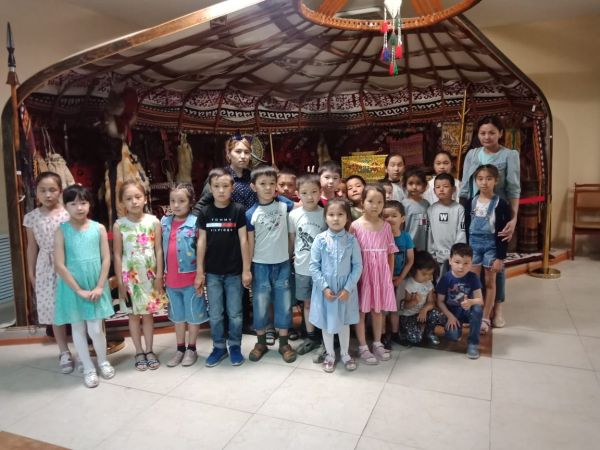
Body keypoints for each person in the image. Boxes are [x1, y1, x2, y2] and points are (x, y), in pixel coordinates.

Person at [460, 116, 520, 328]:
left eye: (492, 132)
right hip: (475, 212)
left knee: (496, 267)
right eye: (483, 133)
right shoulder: (472, 154)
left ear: (500, 133)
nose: (487, 137)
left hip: (498, 216)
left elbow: (513, 189)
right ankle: (473, 310)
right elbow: (465, 188)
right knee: (474, 270)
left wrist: (513, 219)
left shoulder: (509, 155)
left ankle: (497, 308)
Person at [53, 185, 114, 388]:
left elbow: (106, 259)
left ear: (89, 204)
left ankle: (103, 361)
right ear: (65, 206)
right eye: (73, 203)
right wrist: (78, 290)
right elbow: (59, 264)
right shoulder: (61, 230)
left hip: (95, 285)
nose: (79, 208)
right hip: (72, 288)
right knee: (78, 328)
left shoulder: (99, 228)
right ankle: (88, 367)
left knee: (96, 329)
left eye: (83, 202)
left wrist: (100, 286)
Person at [196, 168, 252, 367]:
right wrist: (199, 272)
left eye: (225, 186)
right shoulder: (205, 212)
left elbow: (244, 241)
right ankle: (219, 347)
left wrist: (246, 270)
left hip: (234, 272)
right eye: (217, 186)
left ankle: (235, 346)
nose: (221, 190)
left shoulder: (238, 210)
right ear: (210, 188)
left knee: (235, 313)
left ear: (232, 188)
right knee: (216, 313)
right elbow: (201, 242)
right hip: (212, 273)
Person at [113, 180, 165, 371]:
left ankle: (150, 350)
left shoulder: (154, 222)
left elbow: (158, 250)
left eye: (137, 197)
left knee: (148, 315)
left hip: (149, 276)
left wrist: (159, 276)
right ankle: (138, 351)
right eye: (128, 198)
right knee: (133, 316)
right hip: (130, 278)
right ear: (122, 202)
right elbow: (117, 254)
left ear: (145, 198)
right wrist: (120, 281)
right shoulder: (119, 225)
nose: (134, 201)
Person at [246, 166, 296, 363]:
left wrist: (290, 254)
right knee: (260, 304)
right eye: (262, 184)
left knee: (284, 304)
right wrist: (247, 269)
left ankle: (284, 343)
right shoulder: (250, 213)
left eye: (272, 183)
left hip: (283, 264)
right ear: (253, 186)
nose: (268, 188)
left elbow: (300, 208)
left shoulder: (285, 205)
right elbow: (250, 243)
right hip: (260, 266)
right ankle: (261, 342)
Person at [23, 172, 72, 373]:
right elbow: (31, 247)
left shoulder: (68, 213)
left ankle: (84, 346)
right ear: (36, 192)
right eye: (43, 190)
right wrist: (31, 272)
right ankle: (64, 351)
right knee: (54, 310)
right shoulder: (31, 218)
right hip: (45, 266)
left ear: (60, 191)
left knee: (74, 305)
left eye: (52, 190)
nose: (48, 194)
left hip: (68, 263)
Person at [309, 198, 362, 373]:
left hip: (345, 291)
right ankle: (330, 354)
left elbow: (357, 266)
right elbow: (314, 266)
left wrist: (348, 288)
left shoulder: (352, 240)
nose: (336, 218)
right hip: (327, 291)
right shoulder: (320, 240)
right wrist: (324, 287)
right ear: (325, 217)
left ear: (347, 217)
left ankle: (345, 354)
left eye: (340, 214)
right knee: (327, 323)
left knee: (344, 323)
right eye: (331, 214)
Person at [350, 184, 398, 364]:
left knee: (378, 311)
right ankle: (363, 346)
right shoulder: (355, 226)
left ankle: (377, 343)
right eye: (370, 201)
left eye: (380, 202)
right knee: (361, 311)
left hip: (380, 277)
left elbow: (391, 253)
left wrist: (389, 277)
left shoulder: (386, 227)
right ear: (362, 202)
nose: (375, 206)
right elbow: (349, 254)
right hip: (362, 276)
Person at [161, 184, 208, 368]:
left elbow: (202, 250)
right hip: (171, 281)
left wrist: (200, 274)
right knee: (177, 316)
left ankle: (191, 348)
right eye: (172, 201)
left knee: (193, 316)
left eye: (181, 201)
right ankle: (180, 348)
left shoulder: (196, 222)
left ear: (190, 202)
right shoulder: (164, 222)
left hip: (191, 280)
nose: (176, 205)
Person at [467, 164, 511, 334]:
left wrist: (500, 257)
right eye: (480, 179)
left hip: (491, 246)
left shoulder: (501, 204)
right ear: (475, 181)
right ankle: (475, 314)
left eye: (489, 179)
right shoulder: (471, 202)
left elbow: (503, 234)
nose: (484, 183)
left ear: (496, 180)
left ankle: (485, 317)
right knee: (474, 282)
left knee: (490, 283)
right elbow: (466, 229)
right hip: (473, 246)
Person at [288, 174, 327, 356]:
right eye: (304, 193)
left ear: (320, 192)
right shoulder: (293, 215)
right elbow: (292, 241)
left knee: (325, 304)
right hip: (302, 269)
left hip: (323, 270)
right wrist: (289, 259)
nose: (309, 197)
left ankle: (326, 338)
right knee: (308, 304)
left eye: (314, 192)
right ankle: (311, 337)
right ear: (297, 194)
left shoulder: (326, 214)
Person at [427, 243, 484, 359]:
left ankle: (473, 344)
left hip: (467, 311)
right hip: (452, 314)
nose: (461, 267)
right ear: (450, 261)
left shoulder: (473, 277)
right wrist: (450, 316)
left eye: (466, 263)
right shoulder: (446, 278)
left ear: (471, 263)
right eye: (457, 262)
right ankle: (457, 329)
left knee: (477, 310)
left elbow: (480, 300)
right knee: (453, 337)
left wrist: (471, 302)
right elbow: (440, 301)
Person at [382, 200, 414, 346]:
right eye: (386, 216)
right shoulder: (380, 237)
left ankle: (395, 334)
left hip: (400, 280)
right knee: (383, 309)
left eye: (394, 216)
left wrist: (401, 278)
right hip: (384, 280)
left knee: (395, 308)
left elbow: (410, 260)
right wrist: (386, 278)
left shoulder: (406, 237)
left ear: (402, 218)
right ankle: (382, 335)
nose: (389, 219)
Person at [427, 173, 466, 278]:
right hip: (437, 256)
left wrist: (458, 253)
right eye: (438, 187)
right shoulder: (431, 209)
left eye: (445, 186)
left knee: (454, 281)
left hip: (454, 256)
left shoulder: (459, 209)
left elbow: (461, 232)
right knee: (439, 281)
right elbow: (430, 234)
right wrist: (431, 253)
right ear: (434, 190)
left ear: (453, 189)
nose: (441, 189)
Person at [397, 250, 438, 346]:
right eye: (424, 274)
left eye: (430, 274)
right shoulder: (408, 284)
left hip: (421, 314)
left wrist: (424, 309)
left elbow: (431, 302)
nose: (428, 277)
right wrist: (414, 301)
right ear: (414, 270)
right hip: (408, 316)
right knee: (416, 338)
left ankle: (428, 333)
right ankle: (404, 331)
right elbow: (403, 306)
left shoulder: (428, 283)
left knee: (436, 314)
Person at [401, 167, 430, 251]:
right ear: (405, 185)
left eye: (418, 183)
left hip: (422, 247)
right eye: (410, 183)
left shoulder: (426, 204)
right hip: (408, 247)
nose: (414, 187)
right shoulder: (403, 205)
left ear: (424, 186)